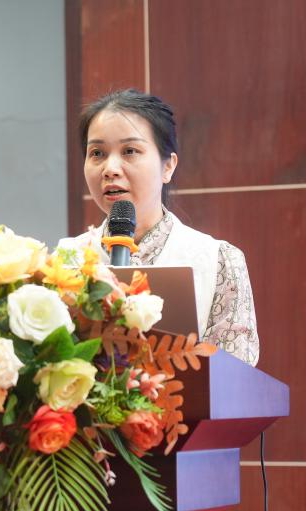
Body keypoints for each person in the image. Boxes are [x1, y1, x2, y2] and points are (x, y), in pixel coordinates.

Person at [62, 89, 259, 367]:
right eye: (97, 153)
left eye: (130, 151)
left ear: (168, 167)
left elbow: (234, 378)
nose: (110, 168)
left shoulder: (219, 261)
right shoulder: (64, 261)